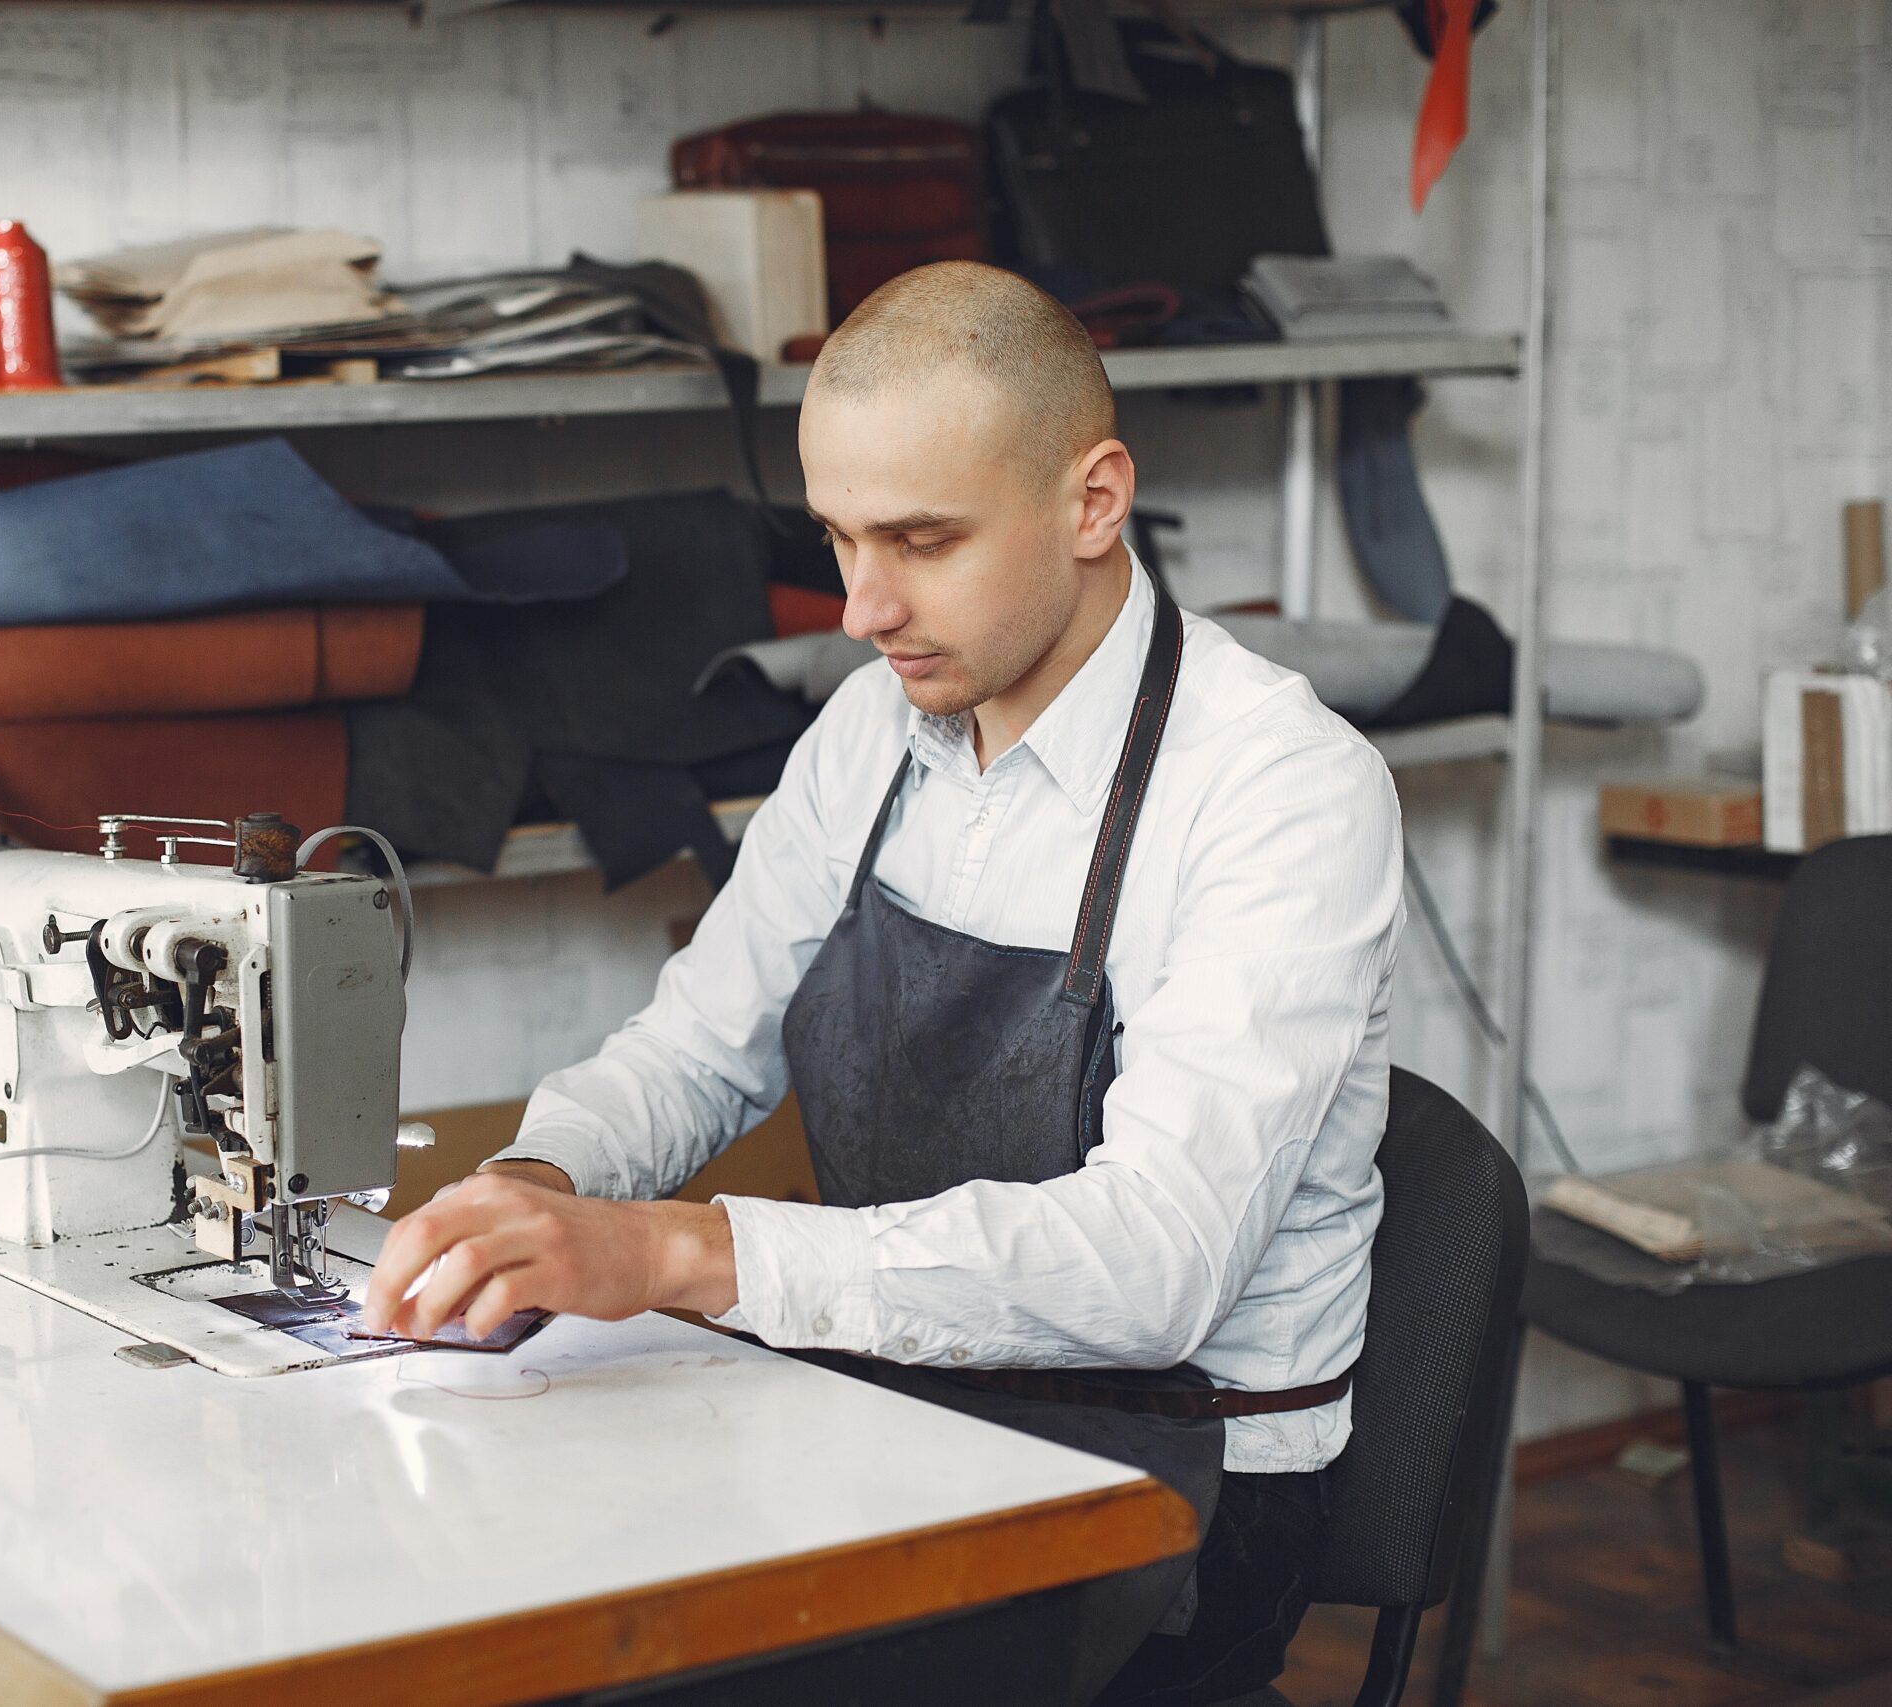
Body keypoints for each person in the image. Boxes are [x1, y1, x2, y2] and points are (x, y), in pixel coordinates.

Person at [360, 260, 1403, 1707]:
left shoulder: (1281, 790)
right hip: (891, 1401)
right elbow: (702, 1044)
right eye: (841, 538)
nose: (862, 607)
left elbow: (1154, 1266)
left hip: (1174, 1490)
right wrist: (545, 1179)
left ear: (1095, 501)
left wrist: (671, 1254)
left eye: (921, 540)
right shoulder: (874, 729)